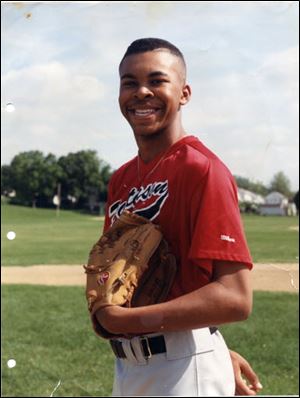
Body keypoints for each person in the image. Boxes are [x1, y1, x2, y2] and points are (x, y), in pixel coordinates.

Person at [93, 38, 262, 396]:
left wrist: (124, 321)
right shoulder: (121, 179)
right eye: (129, 82)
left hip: (182, 370)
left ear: (184, 93)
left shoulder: (202, 170)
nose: (141, 92)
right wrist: (211, 344)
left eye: (156, 81)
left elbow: (235, 298)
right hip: (132, 368)